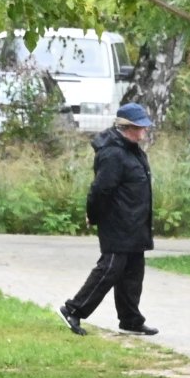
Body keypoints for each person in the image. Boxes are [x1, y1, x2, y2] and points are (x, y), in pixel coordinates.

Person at [59, 102, 158, 336]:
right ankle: (73, 310)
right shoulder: (113, 153)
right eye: (140, 127)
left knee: (133, 272)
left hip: (135, 223)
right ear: (128, 127)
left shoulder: (132, 149)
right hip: (118, 223)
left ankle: (130, 320)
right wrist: (93, 215)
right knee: (110, 269)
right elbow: (100, 190)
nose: (145, 130)